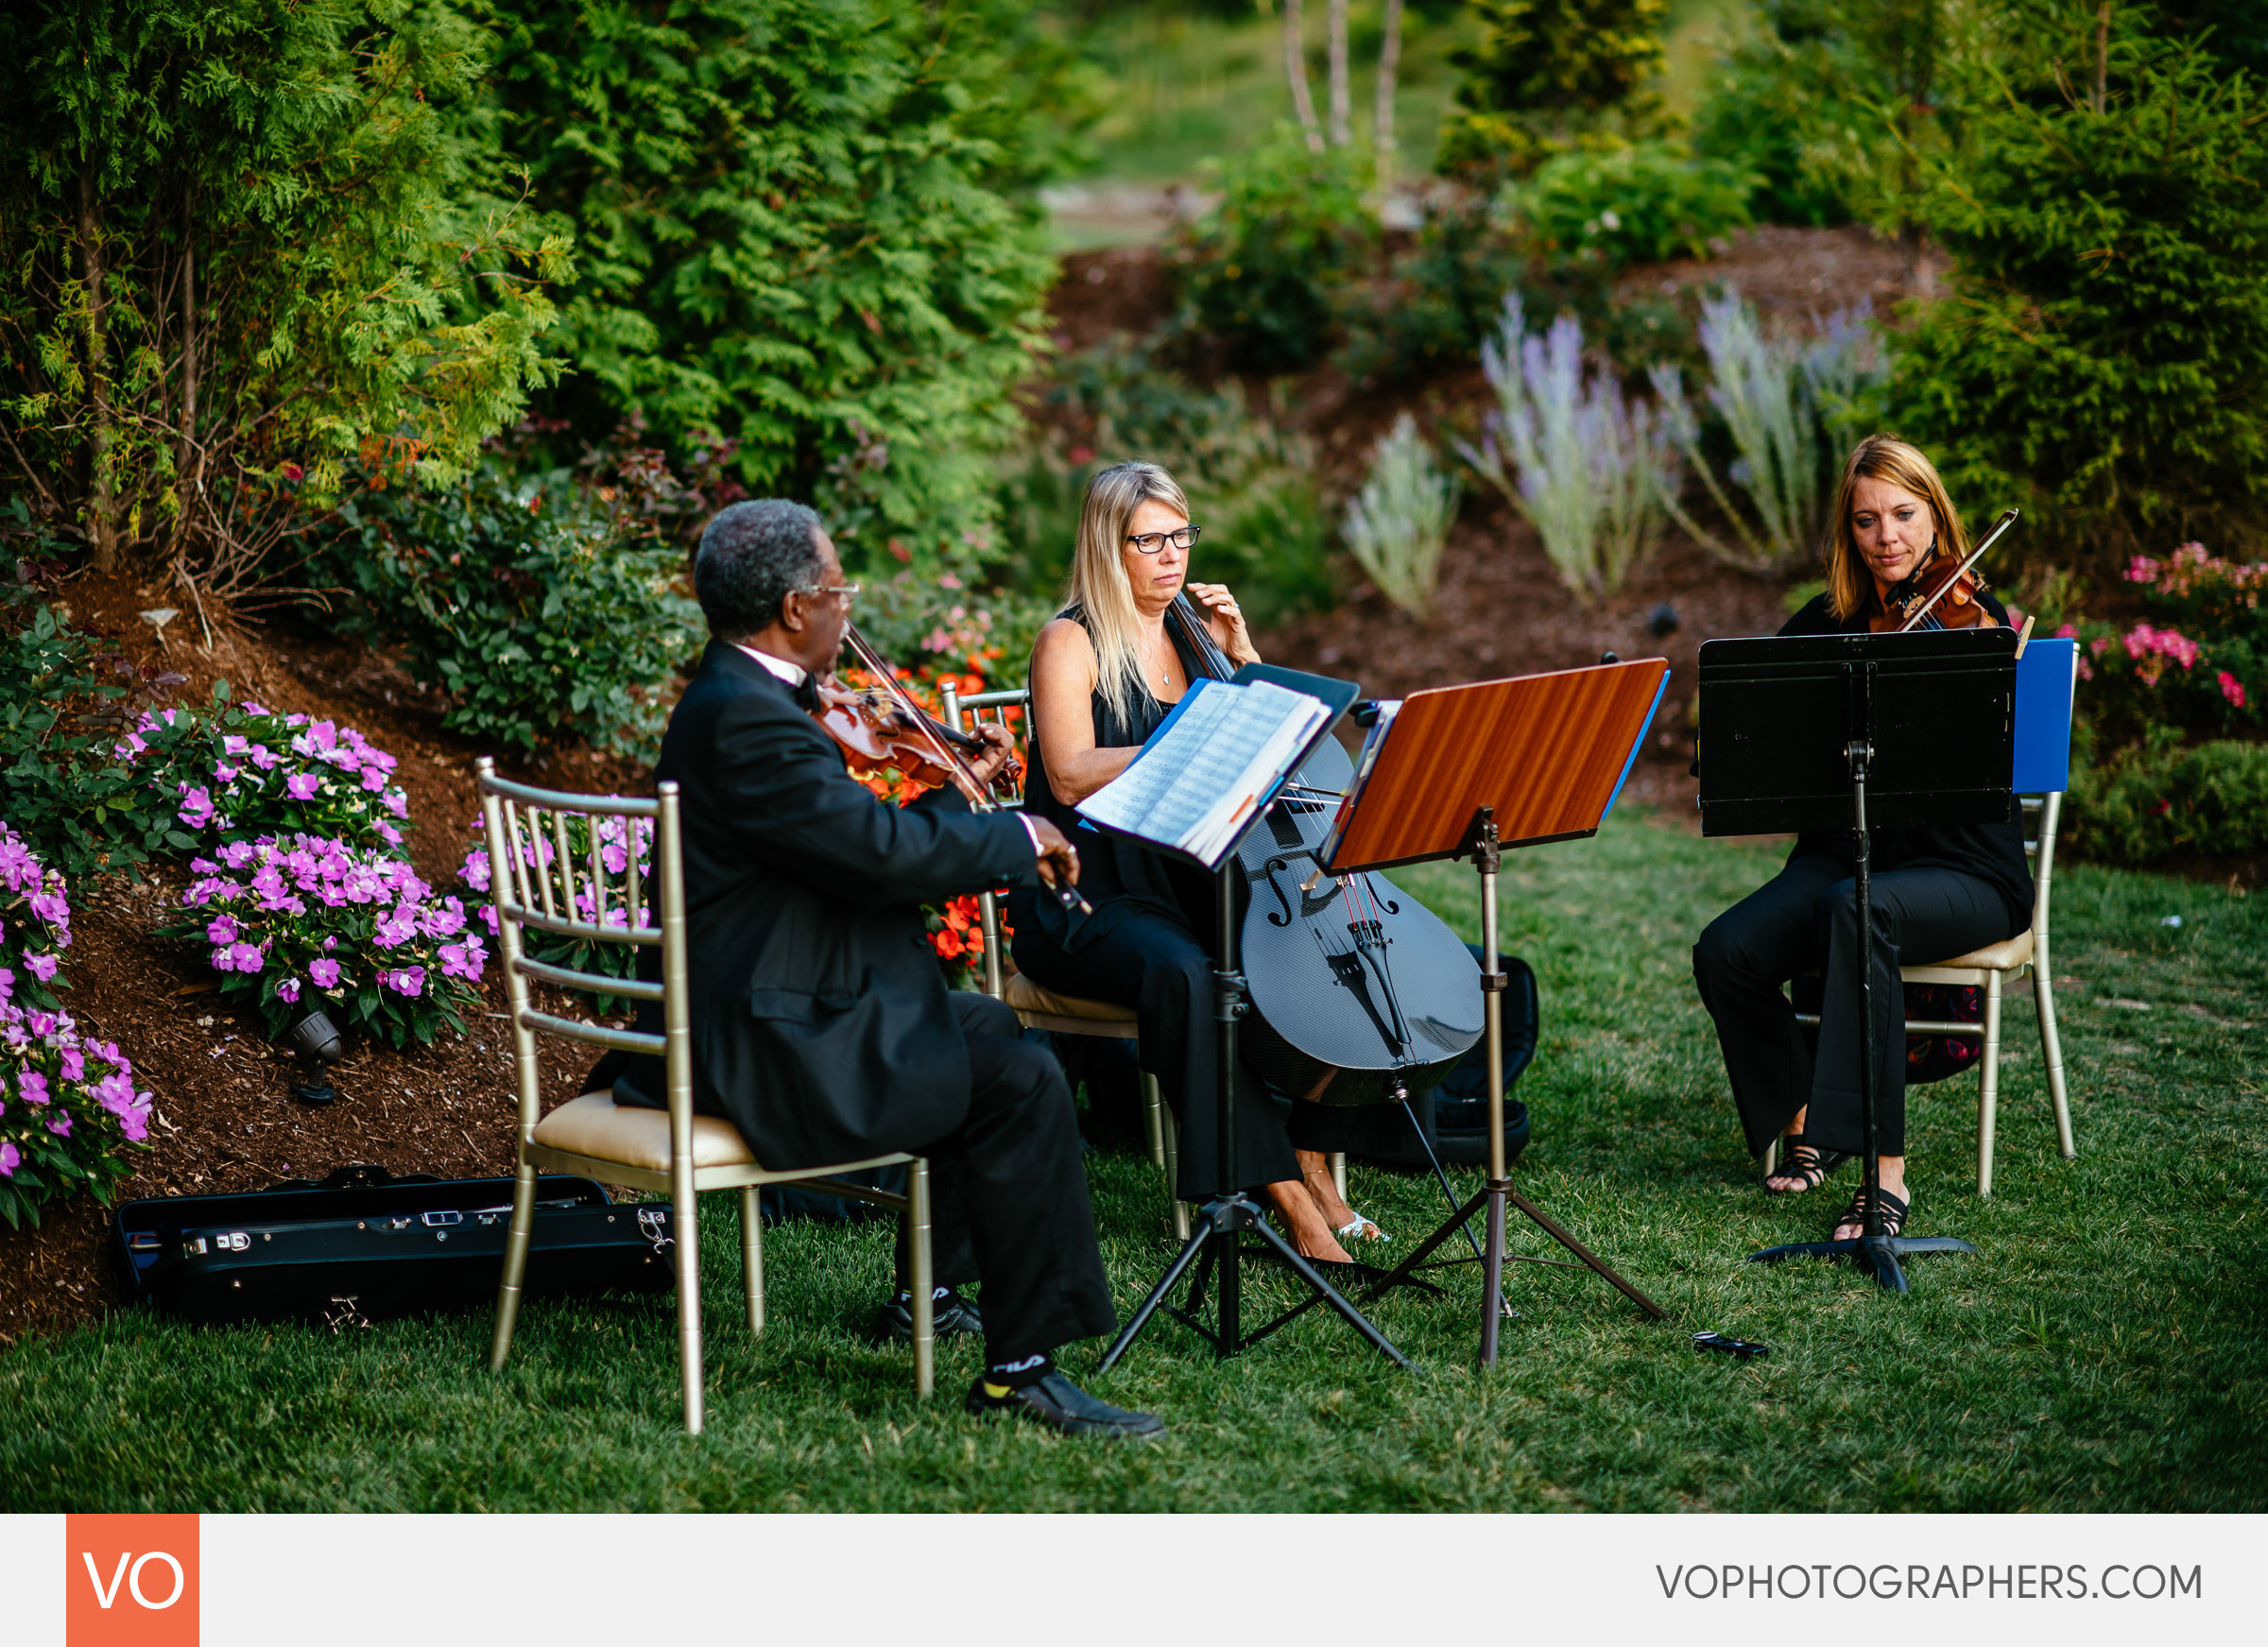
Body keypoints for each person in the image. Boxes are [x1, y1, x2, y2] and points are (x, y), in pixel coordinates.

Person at [611, 498, 1161, 1440]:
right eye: (837, 590)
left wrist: (950, 789)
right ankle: (1021, 1370)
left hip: (765, 997)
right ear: (793, 608)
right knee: (1023, 1080)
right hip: (766, 1036)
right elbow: (874, 857)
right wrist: (1012, 832)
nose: (846, 611)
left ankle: (928, 1292)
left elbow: (845, 844)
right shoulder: (751, 724)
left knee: (990, 1030)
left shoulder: (743, 699)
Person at [1009, 460, 1383, 1263]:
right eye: (1151, 540)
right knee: (1189, 975)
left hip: (1186, 883)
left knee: (1332, 951)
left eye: (1182, 534)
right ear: (1109, 547)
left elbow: (1282, 751)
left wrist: (1243, 658)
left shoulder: (1195, 631)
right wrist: (1196, 729)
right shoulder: (1067, 641)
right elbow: (1071, 770)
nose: (1172, 555)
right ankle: (1286, 1199)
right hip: (1087, 898)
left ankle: (1312, 1155)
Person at [1691, 436, 2034, 1244]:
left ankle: (1886, 1176)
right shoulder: (1829, 622)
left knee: (1858, 907)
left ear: (1935, 514)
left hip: (1966, 868)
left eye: (1905, 515)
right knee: (1726, 950)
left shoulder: (1976, 624)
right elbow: (1754, 723)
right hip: (1846, 857)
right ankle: (1809, 1112)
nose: (1889, 537)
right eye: (1868, 519)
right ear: (1849, 531)